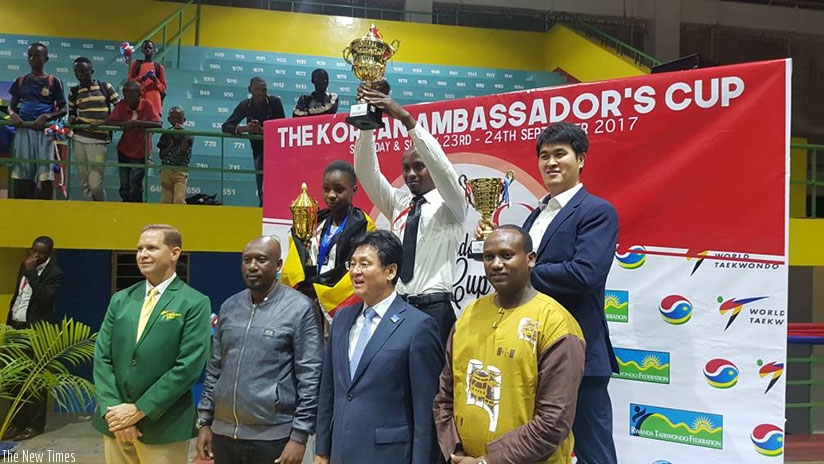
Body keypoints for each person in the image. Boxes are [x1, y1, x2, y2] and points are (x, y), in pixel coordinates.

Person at [474, 122, 619, 464]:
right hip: (529, 353)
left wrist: (521, 271)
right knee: (535, 450)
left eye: (560, 154)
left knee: (594, 453)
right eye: (544, 156)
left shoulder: (597, 212)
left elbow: (585, 273)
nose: (551, 162)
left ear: (580, 159)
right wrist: (500, 243)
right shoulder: (536, 215)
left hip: (578, 352)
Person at [433, 226, 585, 464]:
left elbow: (553, 421)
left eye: (506, 255)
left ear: (530, 259)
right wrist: (456, 450)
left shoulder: (555, 323)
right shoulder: (469, 315)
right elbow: (445, 395)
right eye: (488, 257)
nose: (496, 264)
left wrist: (486, 462)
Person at [314, 230, 443, 464]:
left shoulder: (418, 326)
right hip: (340, 453)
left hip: (388, 455)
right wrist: (322, 450)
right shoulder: (342, 318)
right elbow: (328, 389)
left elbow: (426, 412)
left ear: (390, 271)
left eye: (365, 264)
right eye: (352, 264)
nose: (355, 271)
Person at [353, 85, 466, 347]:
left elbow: (443, 169)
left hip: (435, 309)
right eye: (406, 169)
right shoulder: (399, 202)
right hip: (398, 305)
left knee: (432, 373)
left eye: (419, 167)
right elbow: (366, 173)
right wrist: (367, 124)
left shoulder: (453, 204)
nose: (411, 174)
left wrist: (406, 120)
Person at [196, 236, 322, 464]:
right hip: (223, 434)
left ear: (278, 265)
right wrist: (205, 421)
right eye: (247, 260)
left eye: (261, 260)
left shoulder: (300, 309)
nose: (252, 266)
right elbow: (214, 368)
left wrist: (300, 435)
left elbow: (310, 376)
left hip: (274, 437)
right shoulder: (230, 306)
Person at [93, 224, 212, 464]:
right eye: (139, 249)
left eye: (151, 248)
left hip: (164, 426)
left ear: (174, 253)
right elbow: (102, 357)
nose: (142, 254)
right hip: (115, 423)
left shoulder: (194, 302)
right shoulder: (121, 299)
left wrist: (138, 411)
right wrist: (114, 410)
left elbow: (187, 367)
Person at [280, 160, 376, 321]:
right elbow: (296, 259)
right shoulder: (315, 222)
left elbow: (361, 270)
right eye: (326, 189)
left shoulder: (364, 226)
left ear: (354, 190)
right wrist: (302, 284)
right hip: (306, 301)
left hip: (340, 305)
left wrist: (320, 291)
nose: (331, 195)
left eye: (339, 190)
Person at [4, 236, 63, 441]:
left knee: (36, 380)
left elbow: (45, 298)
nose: (36, 255)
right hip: (16, 329)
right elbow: (19, 297)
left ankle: (35, 425)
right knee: (15, 377)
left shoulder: (55, 272)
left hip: (37, 332)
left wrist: (31, 273)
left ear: (49, 253)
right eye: (34, 250)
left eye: (41, 253)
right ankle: (16, 423)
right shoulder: (25, 265)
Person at [7, 42, 67, 200]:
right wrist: (13, 115)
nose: (32, 58)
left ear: (46, 59)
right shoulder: (21, 81)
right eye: (30, 55)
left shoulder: (53, 81)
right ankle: (24, 207)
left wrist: (47, 117)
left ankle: (44, 208)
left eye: (37, 55)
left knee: (45, 174)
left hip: (44, 133)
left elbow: (64, 109)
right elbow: (11, 107)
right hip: (24, 131)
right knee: (23, 171)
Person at [221, 77, 285, 205]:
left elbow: (282, 128)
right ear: (250, 90)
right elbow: (226, 126)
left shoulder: (275, 102)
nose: (261, 93)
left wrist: (261, 130)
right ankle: (263, 209)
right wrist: (246, 128)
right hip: (258, 151)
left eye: (264, 90)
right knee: (262, 186)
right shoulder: (245, 105)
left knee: (278, 185)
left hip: (278, 152)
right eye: (257, 89)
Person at [69, 56, 120, 201]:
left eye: (84, 71)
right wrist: (72, 118)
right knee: (85, 184)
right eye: (76, 71)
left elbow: (120, 109)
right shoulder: (74, 91)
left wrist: (103, 122)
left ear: (92, 71)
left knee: (95, 184)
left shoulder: (106, 87)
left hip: (99, 141)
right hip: (78, 139)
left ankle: (101, 207)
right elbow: (72, 113)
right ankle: (90, 210)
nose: (80, 74)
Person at [105, 81, 161, 202]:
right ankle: (126, 204)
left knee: (135, 184)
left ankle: (136, 206)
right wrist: (124, 124)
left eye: (131, 95)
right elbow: (109, 121)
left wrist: (138, 123)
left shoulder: (147, 104)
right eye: (125, 95)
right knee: (124, 184)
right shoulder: (122, 104)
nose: (128, 98)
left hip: (141, 151)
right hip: (124, 149)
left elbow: (158, 124)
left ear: (139, 94)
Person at [157, 106, 193, 204]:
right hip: (166, 169)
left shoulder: (188, 134)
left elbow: (183, 150)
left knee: (179, 200)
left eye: (179, 118)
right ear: (169, 119)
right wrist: (171, 144)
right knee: (165, 200)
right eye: (173, 118)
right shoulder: (166, 133)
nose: (176, 120)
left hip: (180, 170)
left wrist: (183, 135)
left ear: (184, 120)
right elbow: (161, 155)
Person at [128, 40, 166, 119]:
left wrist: (155, 80)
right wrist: (140, 78)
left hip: (154, 102)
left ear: (154, 50)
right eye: (145, 48)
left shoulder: (159, 67)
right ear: (142, 50)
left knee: (153, 123)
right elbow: (129, 83)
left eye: (150, 48)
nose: (148, 50)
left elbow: (163, 88)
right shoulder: (136, 64)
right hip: (139, 101)